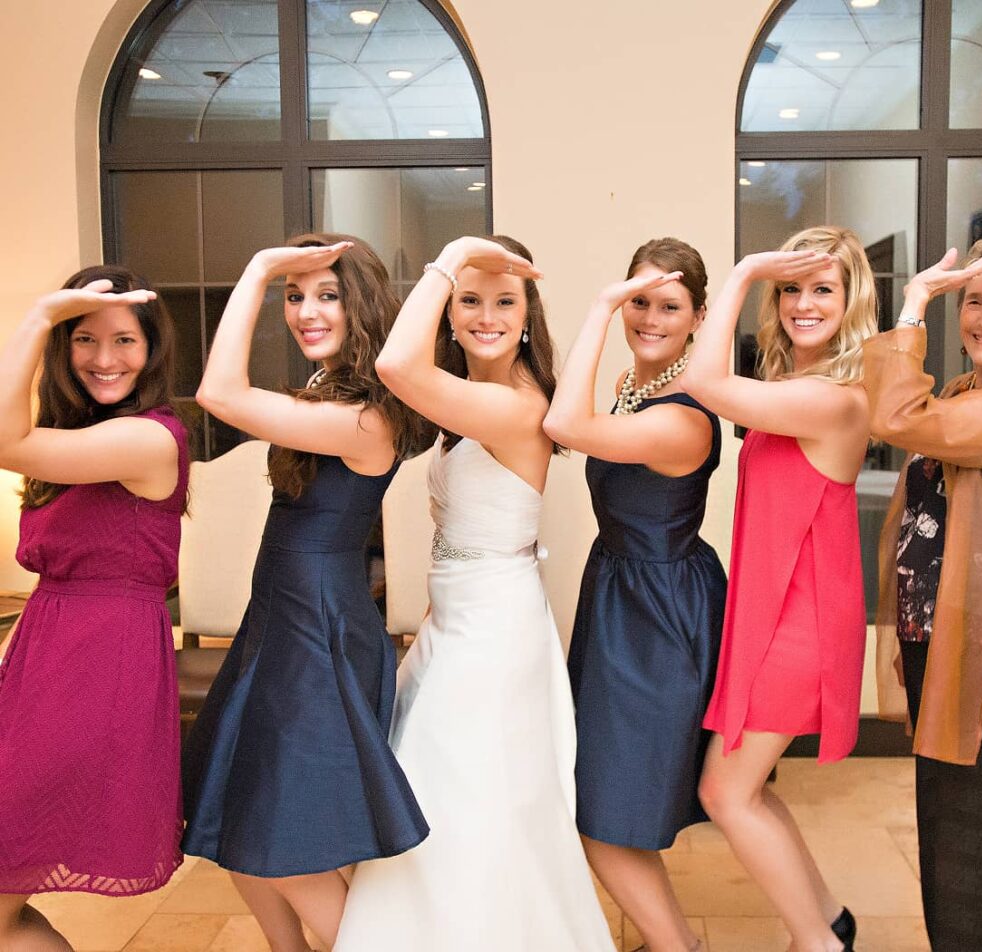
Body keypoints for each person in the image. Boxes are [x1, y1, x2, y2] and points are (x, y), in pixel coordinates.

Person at [334, 235, 616, 951]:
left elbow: (396, 365)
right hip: (455, 618)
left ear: (527, 317)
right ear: (450, 317)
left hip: (493, 629)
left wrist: (456, 252)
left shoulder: (517, 406)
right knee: (444, 788)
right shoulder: (467, 407)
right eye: (470, 300)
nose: (486, 316)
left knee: (465, 797)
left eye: (504, 301)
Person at [181, 234, 432, 952]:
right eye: (294, 296)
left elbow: (217, 393)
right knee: (235, 822)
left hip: (316, 632)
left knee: (285, 843)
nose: (305, 311)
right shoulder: (328, 391)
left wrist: (260, 266)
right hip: (280, 620)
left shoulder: (366, 416)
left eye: (327, 295)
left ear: (363, 307)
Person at [685, 226, 877, 952]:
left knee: (724, 793)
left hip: (800, 624)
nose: (803, 303)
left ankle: (818, 944)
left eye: (823, 288)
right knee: (749, 789)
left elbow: (705, 383)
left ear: (852, 301)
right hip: (775, 612)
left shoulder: (835, 400)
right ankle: (829, 923)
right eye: (790, 288)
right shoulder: (794, 389)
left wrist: (742, 273)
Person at [543, 238, 726, 952]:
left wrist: (598, 308)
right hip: (620, 596)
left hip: (658, 617)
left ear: (699, 317)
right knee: (611, 807)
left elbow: (565, 426)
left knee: (604, 812)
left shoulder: (682, 416)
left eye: (669, 306)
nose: (650, 318)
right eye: (637, 301)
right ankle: (675, 942)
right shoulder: (632, 384)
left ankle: (676, 947)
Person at [0, 267, 188, 951]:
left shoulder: (151, 437)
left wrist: (39, 314)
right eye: (84, 338)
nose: (105, 358)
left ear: (152, 349)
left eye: (125, 340)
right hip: (46, 659)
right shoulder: (72, 439)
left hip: (97, 669)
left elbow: (3, 439)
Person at [867, 229, 982, 951]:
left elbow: (898, 417)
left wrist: (915, 303)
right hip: (952, 647)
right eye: (975, 302)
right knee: (944, 837)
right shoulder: (969, 391)